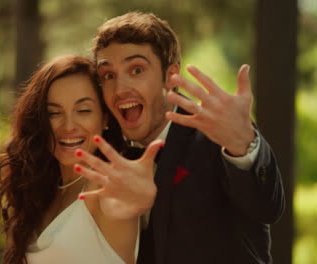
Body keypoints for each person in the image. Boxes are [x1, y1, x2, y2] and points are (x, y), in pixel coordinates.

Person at [74, 12, 285, 264]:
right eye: (109, 75)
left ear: (170, 76)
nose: (120, 89)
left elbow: (267, 207)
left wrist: (244, 146)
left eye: (137, 70)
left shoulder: (218, 134)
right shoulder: (102, 150)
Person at [0, 55, 163, 264]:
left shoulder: (105, 188)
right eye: (53, 113)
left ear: (105, 118)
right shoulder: (37, 191)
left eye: (83, 111)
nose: (68, 126)